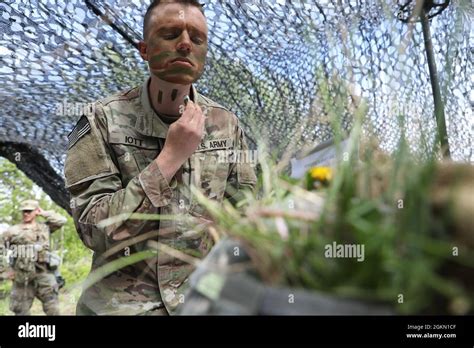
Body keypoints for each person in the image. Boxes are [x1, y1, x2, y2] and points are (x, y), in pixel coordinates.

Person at [64, 0, 257, 315]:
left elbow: (244, 219)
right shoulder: (102, 119)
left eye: (196, 39)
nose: (184, 43)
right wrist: (169, 159)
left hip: (202, 301)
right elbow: (93, 229)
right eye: (169, 34)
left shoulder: (225, 124)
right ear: (144, 49)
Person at [0, 200, 67, 315]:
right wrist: (4, 270)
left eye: (29, 211)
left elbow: (61, 220)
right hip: (22, 276)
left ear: (36, 211)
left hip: (44, 273)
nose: (26, 213)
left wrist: (44, 212)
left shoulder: (44, 227)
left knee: (53, 309)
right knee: (20, 311)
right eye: (24, 211)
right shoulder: (12, 231)